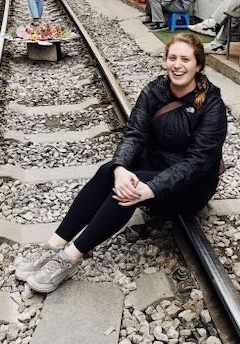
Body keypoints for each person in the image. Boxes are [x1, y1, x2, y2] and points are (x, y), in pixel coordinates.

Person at [15, 33, 227, 294]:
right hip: (155, 167)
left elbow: (198, 162)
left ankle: (71, 257)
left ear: (198, 65)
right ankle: (54, 244)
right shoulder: (155, 90)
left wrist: (150, 188)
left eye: (185, 59)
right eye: (172, 58)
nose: (177, 65)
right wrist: (120, 169)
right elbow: (135, 134)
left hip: (191, 187)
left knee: (128, 194)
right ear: (165, 61)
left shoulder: (212, 105)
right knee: (108, 172)